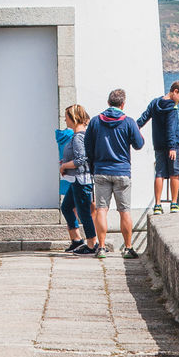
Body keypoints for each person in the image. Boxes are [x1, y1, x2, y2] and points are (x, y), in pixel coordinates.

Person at [84, 89, 144, 258]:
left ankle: (101, 247)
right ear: (123, 104)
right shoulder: (129, 122)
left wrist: (93, 165)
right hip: (122, 171)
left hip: (101, 171)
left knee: (101, 210)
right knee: (124, 211)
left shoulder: (95, 122)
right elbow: (139, 144)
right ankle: (128, 247)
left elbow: (88, 147)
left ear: (108, 102)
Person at [137, 80, 179, 214]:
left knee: (159, 174)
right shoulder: (172, 107)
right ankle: (174, 204)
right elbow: (171, 128)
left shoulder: (155, 103)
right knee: (174, 174)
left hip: (158, 144)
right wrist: (172, 146)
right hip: (173, 145)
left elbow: (144, 117)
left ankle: (158, 205)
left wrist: (135, 128)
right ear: (175, 91)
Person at [59, 104, 99, 256]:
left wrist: (64, 166)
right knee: (67, 207)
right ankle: (77, 240)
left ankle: (91, 243)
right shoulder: (80, 136)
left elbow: (81, 159)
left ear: (73, 118)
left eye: (66, 117)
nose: (65, 120)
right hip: (77, 180)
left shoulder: (78, 137)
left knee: (83, 213)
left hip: (81, 180)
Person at [56, 110, 82, 251]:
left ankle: (76, 239)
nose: (65, 121)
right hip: (79, 176)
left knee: (68, 207)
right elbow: (80, 159)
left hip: (68, 176)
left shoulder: (65, 137)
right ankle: (92, 241)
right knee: (85, 209)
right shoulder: (77, 137)